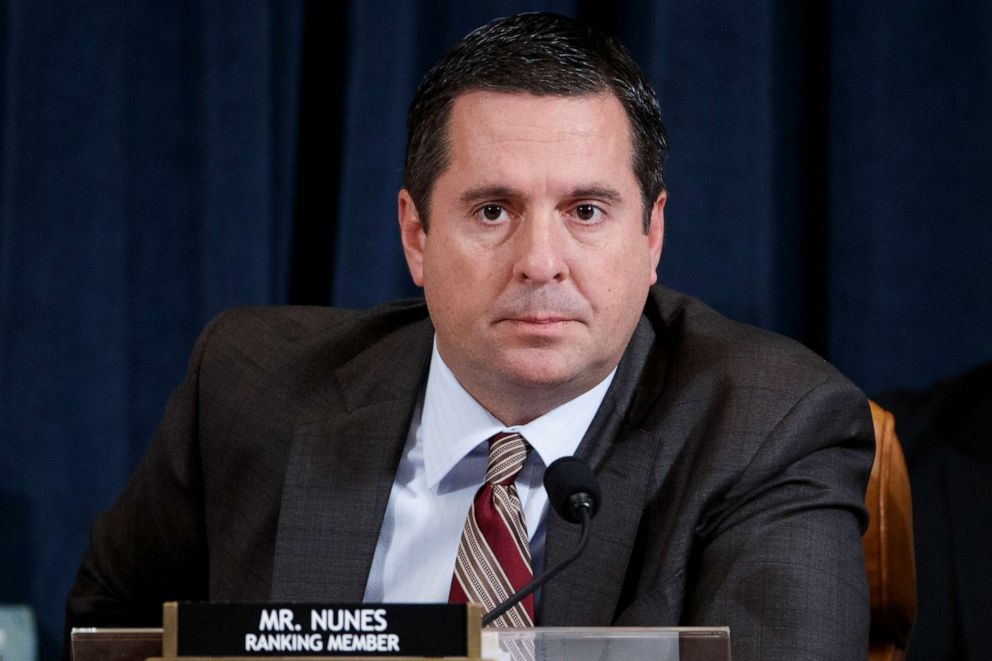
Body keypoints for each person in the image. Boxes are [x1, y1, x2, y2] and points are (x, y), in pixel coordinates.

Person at [65, 12, 873, 660]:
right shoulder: (251, 391)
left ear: (652, 237)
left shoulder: (768, 426)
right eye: (493, 211)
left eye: (586, 211)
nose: (540, 262)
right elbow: (106, 632)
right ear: (415, 235)